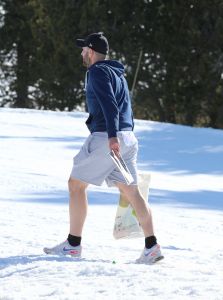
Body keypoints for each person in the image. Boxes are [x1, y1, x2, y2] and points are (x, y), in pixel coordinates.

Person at [43, 32, 164, 264]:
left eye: (83, 49)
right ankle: (152, 247)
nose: (81, 53)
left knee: (75, 185)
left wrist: (111, 137)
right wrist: (121, 137)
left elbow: (110, 105)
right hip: (128, 137)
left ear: (90, 50)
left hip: (107, 139)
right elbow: (124, 107)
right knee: (132, 192)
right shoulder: (118, 74)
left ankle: (73, 245)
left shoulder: (96, 71)